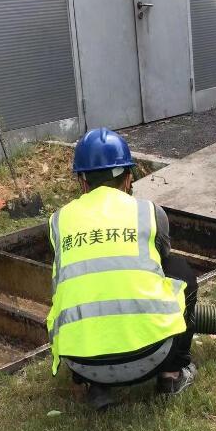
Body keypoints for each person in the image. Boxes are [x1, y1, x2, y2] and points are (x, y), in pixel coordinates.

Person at [47, 128, 198, 410]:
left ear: (82, 180)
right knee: (179, 270)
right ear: (128, 177)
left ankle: (97, 388)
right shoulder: (149, 212)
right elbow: (161, 260)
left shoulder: (59, 220)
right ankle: (171, 375)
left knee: (72, 282)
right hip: (152, 356)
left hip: (82, 363)